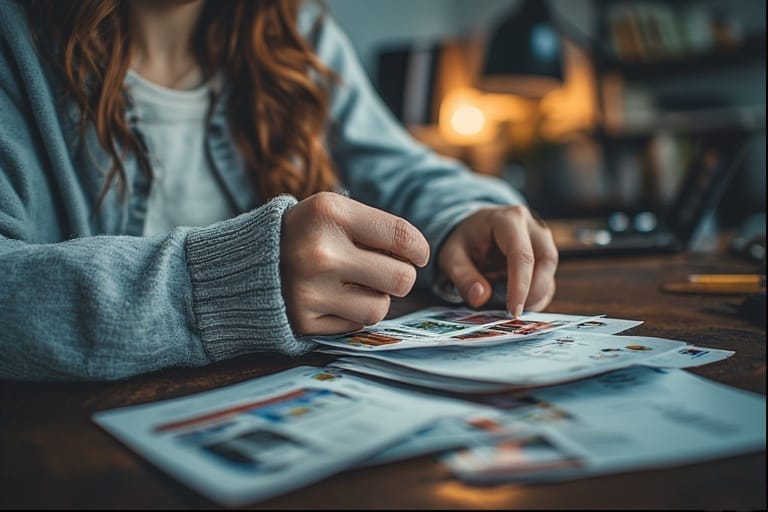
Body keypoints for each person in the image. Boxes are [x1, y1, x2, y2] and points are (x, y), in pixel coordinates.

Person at [0, 0, 558, 381]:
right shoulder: (15, 43)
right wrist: (237, 282)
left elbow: (403, 169)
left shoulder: (298, 33)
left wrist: (463, 216)